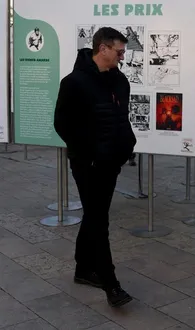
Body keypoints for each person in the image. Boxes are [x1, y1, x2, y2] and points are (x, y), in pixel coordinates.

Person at [53, 27, 136, 307]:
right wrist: (89, 153)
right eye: (119, 51)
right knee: (100, 221)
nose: (122, 57)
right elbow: (62, 125)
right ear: (102, 49)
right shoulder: (74, 82)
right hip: (87, 164)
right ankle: (111, 285)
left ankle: (83, 269)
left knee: (94, 215)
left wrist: (125, 146)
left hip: (111, 162)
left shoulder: (120, 81)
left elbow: (121, 118)